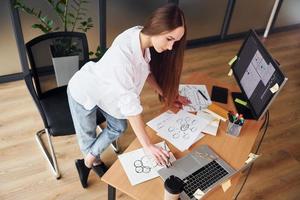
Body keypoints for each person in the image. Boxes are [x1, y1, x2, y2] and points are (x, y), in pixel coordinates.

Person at [67, 3, 190, 188]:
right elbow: (131, 107)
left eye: (175, 41)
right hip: (84, 91)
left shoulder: (141, 35)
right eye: (169, 39)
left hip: (107, 91)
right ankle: (88, 163)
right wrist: (147, 146)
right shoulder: (122, 60)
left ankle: (88, 161)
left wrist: (167, 94)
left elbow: (146, 70)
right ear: (157, 28)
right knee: (88, 137)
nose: (172, 47)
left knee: (119, 125)